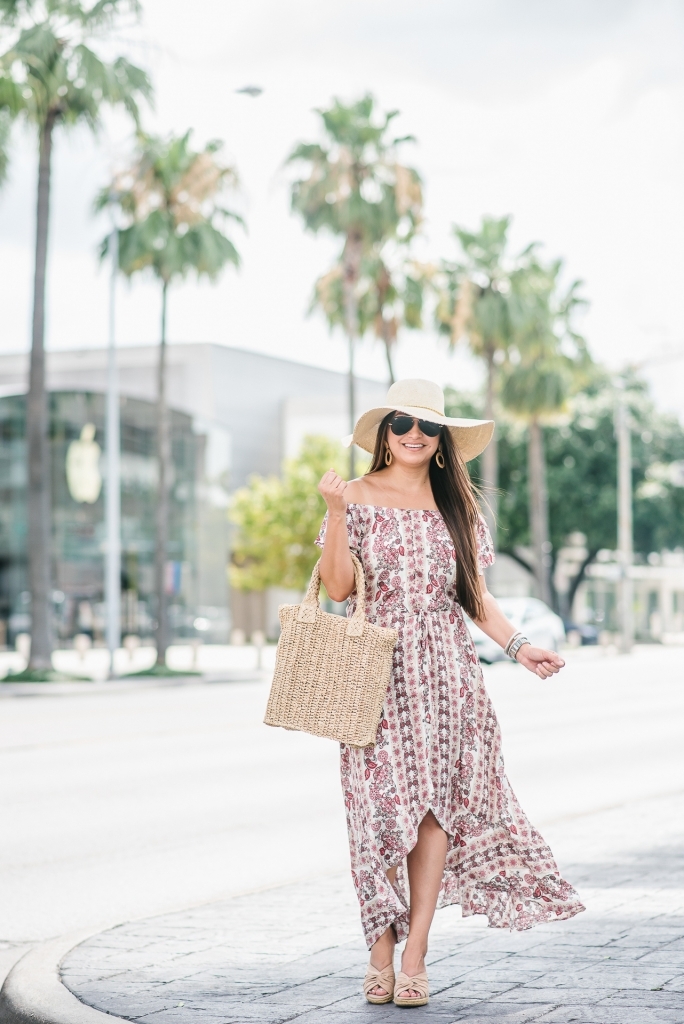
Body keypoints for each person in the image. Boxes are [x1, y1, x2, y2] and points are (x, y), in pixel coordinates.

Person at [316, 379, 584, 1009]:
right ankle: (379, 944)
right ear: (384, 432)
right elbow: (336, 587)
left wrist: (521, 649)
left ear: (442, 443)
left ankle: (414, 955)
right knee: (379, 815)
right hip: (374, 676)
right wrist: (333, 513)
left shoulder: (456, 510)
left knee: (434, 812)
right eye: (402, 421)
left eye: (428, 426)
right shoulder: (353, 496)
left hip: (447, 676)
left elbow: (476, 599)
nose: (414, 433)